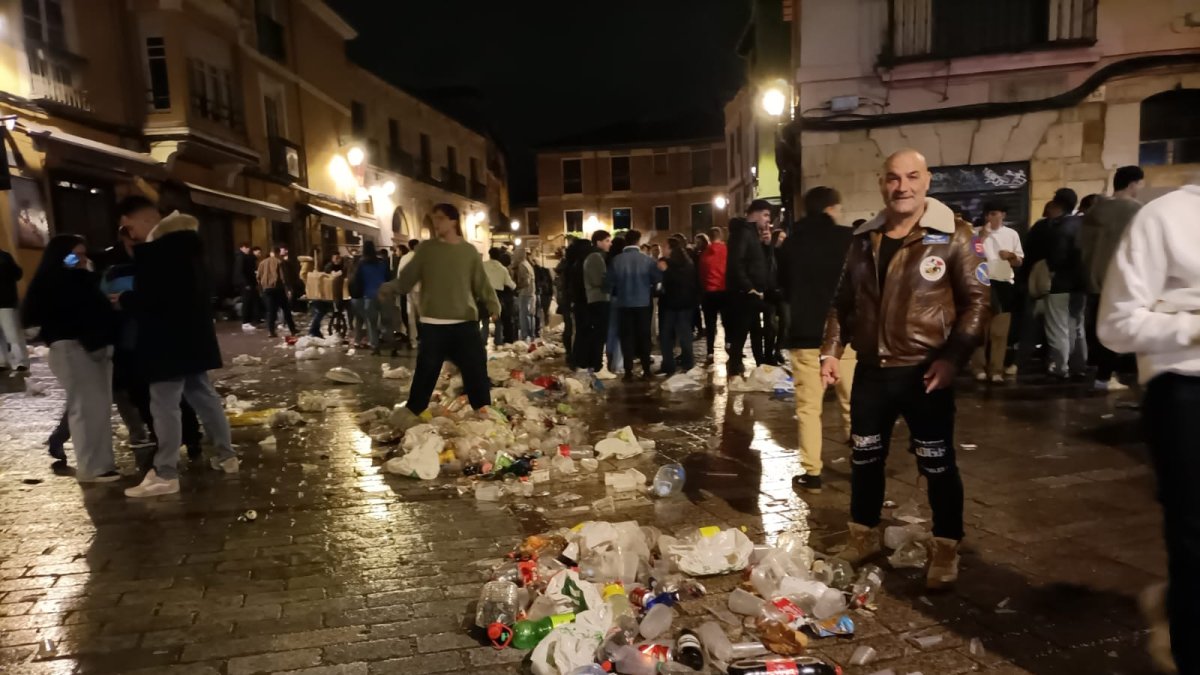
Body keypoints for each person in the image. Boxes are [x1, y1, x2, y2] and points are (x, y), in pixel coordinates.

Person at [819, 150, 990, 590]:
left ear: (928, 180)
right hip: (873, 373)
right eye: (894, 178)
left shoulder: (957, 235)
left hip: (925, 375)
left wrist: (952, 359)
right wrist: (831, 351)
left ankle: (947, 544)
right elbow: (842, 303)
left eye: (912, 177)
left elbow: (978, 304)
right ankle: (863, 535)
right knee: (864, 459)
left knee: (937, 465)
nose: (903, 186)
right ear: (882, 183)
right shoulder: (861, 239)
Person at [1098, 183, 1199, 675]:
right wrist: (1192, 328)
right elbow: (1114, 324)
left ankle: (1177, 602)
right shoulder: (1164, 217)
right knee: (1193, 535)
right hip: (1185, 387)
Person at [114, 186, 240, 497]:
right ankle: (227, 456)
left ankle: (165, 473)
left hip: (167, 341)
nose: (128, 234)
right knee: (202, 395)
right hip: (192, 338)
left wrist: (127, 297)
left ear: (140, 222)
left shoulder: (159, 251)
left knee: (164, 405)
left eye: (127, 227)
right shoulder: (186, 244)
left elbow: (156, 298)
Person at [388, 204, 499, 429]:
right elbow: (408, 277)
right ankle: (415, 408)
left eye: (440, 218)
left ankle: (482, 409)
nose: (436, 223)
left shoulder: (468, 251)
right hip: (433, 321)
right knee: (426, 369)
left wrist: (492, 302)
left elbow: (481, 282)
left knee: (475, 366)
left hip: (464, 320)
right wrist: (391, 287)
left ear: (453, 221)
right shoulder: (427, 250)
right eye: (434, 218)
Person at [21, 234, 119, 482]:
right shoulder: (55, 282)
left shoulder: (79, 279)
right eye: (75, 254)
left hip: (92, 349)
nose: (80, 259)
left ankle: (102, 465)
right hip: (73, 349)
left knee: (97, 408)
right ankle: (92, 467)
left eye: (83, 254)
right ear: (61, 256)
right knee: (86, 410)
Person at [780, 187, 855, 494]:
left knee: (810, 408)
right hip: (846, 335)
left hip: (806, 334)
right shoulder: (849, 239)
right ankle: (862, 463)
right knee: (852, 402)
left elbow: (782, 287)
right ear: (831, 209)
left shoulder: (791, 244)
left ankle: (813, 474)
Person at [1081, 165, 1144, 392]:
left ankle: (1102, 374)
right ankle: (1106, 376)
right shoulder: (1136, 211)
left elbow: (1083, 246)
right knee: (1119, 327)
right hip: (1121, 279)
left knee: (1098, 327)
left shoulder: (1094, 210)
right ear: (1133, 184)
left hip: (1094, 278)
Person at [970, 202, 1024, 384]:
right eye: (987, 214)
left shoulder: (1011, 234)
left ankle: (996, 370)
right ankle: (978, 367)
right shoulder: (975, 233)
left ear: (1003, 215)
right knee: (980, 330)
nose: (990, 218)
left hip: (1003, 281)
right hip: (981, 280)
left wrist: (1011, 256)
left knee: (1000, 330)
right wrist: (982, 236)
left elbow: (1019, 261)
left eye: (994, 214)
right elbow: (972, 255)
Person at [725, 201, 772, 378]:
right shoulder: (743, 233)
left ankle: (758, 365)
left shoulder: (753, 234)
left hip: (752, 292)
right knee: (741, 332)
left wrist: (766, 245)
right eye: (766, 215)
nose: (768, 220)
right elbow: (736, 262)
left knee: (754, 331)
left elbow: (759, 262)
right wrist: (749, 287)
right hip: (744, 294)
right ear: (756, 214)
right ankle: (735, 368)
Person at [608, 229, 662, 381]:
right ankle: (646, 370)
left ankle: (628, 371)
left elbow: (609, 283)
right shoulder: (647, 260)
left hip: (623, 304)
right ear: (638, 241)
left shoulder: (617, 260)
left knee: (627, 337)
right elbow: (657, 279)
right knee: (644, 336)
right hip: (643, 303)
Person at [658, 234, 699, 374]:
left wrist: (666, 271)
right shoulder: (686, 261)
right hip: (683, 303)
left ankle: (674, 364)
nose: (662, 249)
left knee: (669, 335)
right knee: (682, 334)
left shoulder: (675, 264)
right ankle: (684, 363)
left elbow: (678, 281)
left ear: (670, 249)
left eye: (664, 246)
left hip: (674, 304)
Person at [351, 241, 389, 355]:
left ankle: (375, 345)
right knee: (385, 321)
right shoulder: (382, 262)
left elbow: (357, 281)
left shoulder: (362, 264)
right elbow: (388, 277)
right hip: (383, 295)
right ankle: (390, 343)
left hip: (369, 296)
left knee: (371, 322)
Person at [698, 227, 728, 366]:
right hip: (723, 291)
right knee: (727, 321)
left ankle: (710, 351)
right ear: (721, 237)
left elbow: (702, 274)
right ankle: (729, 344)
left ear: (709, 238)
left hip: (708, 293)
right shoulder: (726, 251)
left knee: (710, 325)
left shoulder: (704, 254)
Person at [0, 245, 30, 372]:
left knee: (9, 334)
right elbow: (18, 274)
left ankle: (4, 362)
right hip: (6, 301)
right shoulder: (5, 257)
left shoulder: (4, 258)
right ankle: (19, 362)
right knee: (12, 334)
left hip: (5, 301)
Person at [258, 246, 297, 338]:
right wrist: (288, 289)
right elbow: (283, 277)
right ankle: (292, 329)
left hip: (267, 289)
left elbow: (258, 277)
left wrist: (261, 288)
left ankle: (271, 331)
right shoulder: (279, 262)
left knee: (271, 311)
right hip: (278, 288)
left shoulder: (262, 263)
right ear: (278, 253)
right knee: (286, 309)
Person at [482, 248, 516, 344]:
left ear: (489, 255)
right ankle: (498, 341)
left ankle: (483, 341)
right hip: (497, 295)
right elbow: (510, 283)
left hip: (485, 293)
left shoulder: (483, 265)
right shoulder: (503, 269)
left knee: (485, 320)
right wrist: (515, 287)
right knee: (498, 321)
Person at [233, 242, 259, 329]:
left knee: (249, 302)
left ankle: (248, 321)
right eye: (247, 247)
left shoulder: (243, 257)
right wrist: (246, 283)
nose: (248, 249)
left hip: (247, 283)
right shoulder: (241, 257)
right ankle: (245, 322)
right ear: (242, 247)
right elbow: (240, 271)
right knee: (246, 302)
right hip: (245, 283)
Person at [513, 248, 536, 341]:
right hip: (531, 292)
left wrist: (517, 287)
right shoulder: (528, 264)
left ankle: (525, 334)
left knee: (523, 315)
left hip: (525, 293)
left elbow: (526, 281)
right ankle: (532, 334)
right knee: (530, 315)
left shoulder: (522, 265)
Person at [534, 259, 553, 335]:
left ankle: (541, 327)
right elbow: (550, 282)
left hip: (543, 293)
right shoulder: (546, 271)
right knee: (545, 311)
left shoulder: (537, 272)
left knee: (539, 311)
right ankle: (545, 326)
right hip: (546, 293)